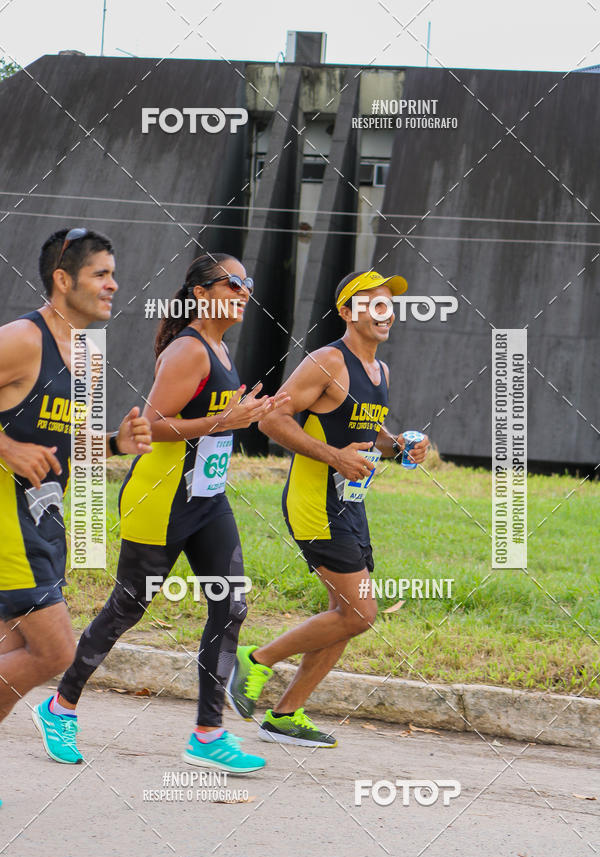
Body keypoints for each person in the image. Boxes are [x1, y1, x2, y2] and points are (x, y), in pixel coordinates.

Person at [37, 252, 286, 774]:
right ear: (201, 292)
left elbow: (211, 421)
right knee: (127, 608)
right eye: (233, 283)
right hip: (161, 497)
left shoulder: (218, 346)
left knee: (231, 604)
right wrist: (226, 418)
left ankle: (207, 734)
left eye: (248, 284)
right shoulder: (188, 350)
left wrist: (240, 416)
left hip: (206, 498)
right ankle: (60, 706)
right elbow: (151, 427)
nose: (244, 292)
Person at [227, 269, 429, 747]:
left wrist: (400, 448)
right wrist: (336, 457)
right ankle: (254, 660)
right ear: (346, 312)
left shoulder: (380, 370)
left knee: (344, 612)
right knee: (360, 613)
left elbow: (366, 430)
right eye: (371, 304)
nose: (384, 313)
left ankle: (286, 715)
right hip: (314, 502)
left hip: (349, 505)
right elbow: (272, 420)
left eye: (388, 305)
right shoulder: (326, 361)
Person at [0, 227, 152, 766]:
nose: (114, 284)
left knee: (13, 654)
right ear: (63, 280)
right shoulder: (22, 339)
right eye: (101, 274)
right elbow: (19, 444)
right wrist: (7, 448)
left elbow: (66, 443)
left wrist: (115, 442)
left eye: (113, 273)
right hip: (7, 529)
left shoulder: (87, 353)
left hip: (41, 525)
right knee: (54, 651)